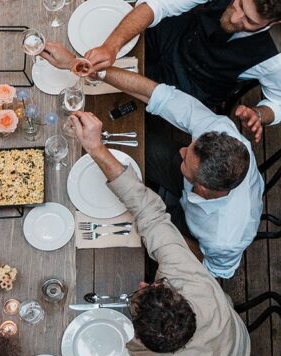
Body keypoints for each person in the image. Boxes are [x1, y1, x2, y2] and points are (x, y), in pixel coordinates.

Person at [69, 110, 250, 356]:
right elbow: (149, 213)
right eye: (152, 286)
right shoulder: (187, 278)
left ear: (141, 338)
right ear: (179, 296)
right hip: (234, 338)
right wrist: (96, 148)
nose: (142, 285)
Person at [43, 46, 262, 278]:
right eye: (190, 147)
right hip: (189, 185)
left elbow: (211, 271)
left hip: (188, 233)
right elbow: (157, 94)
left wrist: (165, 235)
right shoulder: (220, 132)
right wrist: (86, 68)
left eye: (186, 157)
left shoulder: (225, 239)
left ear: (203, 187)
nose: (181, 149)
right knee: (126, 147)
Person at [45, 0, 281, 142]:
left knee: (101, 107)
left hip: (190, 87)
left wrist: (260, 114)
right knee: (96, 40)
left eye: (249, 22)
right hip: (172, 36)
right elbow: (162, 3)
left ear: (275, 23)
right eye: (239, 4)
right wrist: (111, 46)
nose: (236, 18)